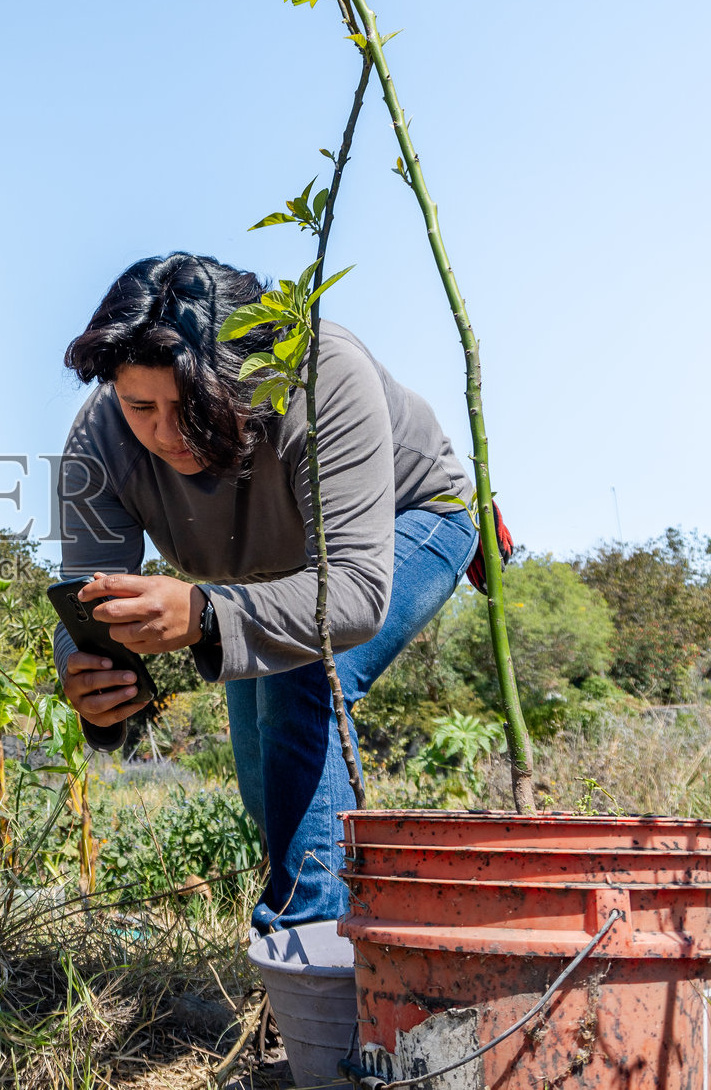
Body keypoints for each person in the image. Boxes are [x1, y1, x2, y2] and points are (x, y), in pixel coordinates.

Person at [52, 252, 480, 933]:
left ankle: (314, 949)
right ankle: (340, 937)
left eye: (191, 403)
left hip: (408, 521)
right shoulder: (97, 442)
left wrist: (200, 612)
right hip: (257, 580)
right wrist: (93, 682)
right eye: (141, 406)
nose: (167, 431)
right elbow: (85, 606)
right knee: (266, 780)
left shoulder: (315, 371)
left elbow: (356, 589)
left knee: (302, 678)